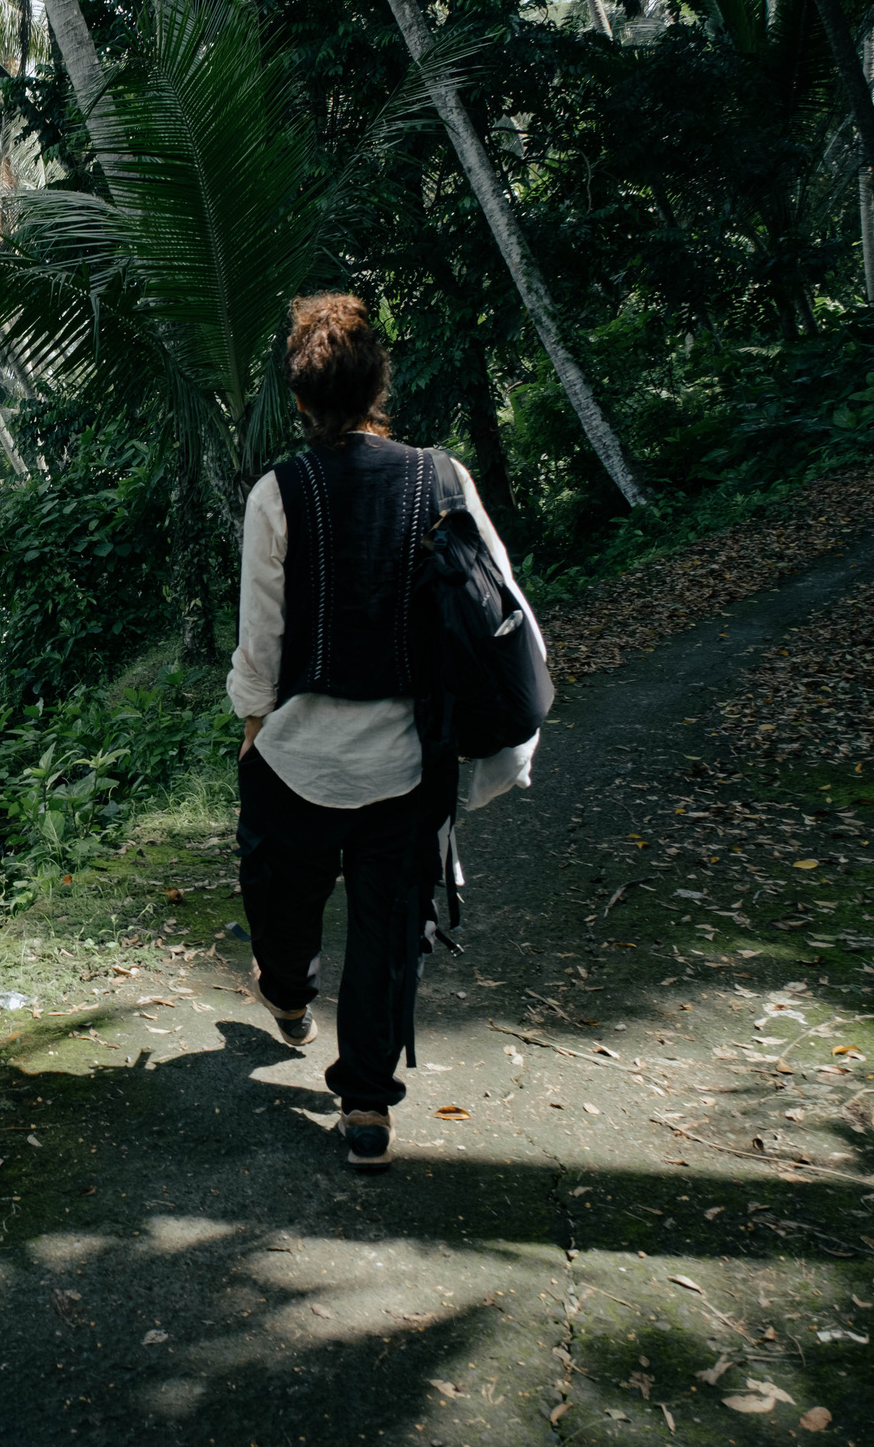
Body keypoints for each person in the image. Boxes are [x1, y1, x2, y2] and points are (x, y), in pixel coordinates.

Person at [227, 292, 538, 1173]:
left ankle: (289, 995)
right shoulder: (443, 477)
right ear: (378, 387)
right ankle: (365, 1106)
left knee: (279, 904)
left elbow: (261, 641)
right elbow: (494, 596)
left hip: (296, 758)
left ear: (300, 399)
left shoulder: (278, 493)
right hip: (409, 760)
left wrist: (252, 725)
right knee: (388, 931)